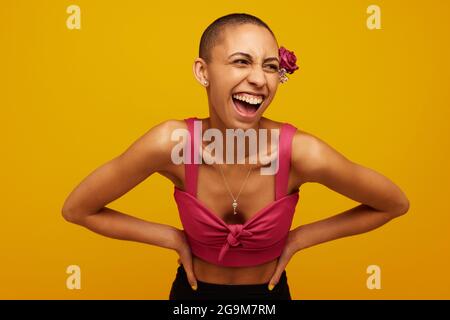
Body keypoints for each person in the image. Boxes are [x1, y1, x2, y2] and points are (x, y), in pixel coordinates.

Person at [61, 13, 410, 300]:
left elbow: (393, 203)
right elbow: (78, 209)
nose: (259, 79)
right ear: (203, 72)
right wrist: (172, 238)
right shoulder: (172, 143)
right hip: (192, 300)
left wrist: (299, 239)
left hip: (269, 300)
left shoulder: (299, 152)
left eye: (271, 67)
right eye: (241, 62)